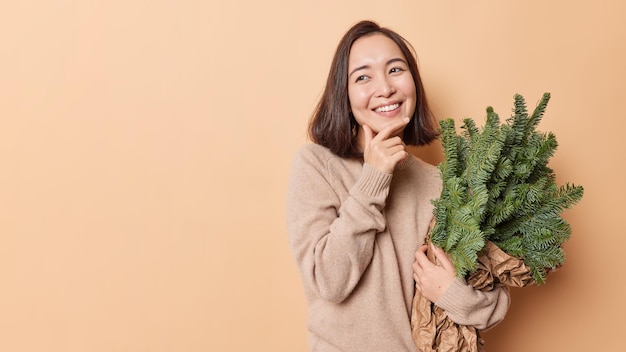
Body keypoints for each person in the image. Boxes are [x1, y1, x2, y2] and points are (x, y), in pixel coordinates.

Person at [286, 20, 510, 351]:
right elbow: (329, 282)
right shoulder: (317, 166)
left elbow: (495, 296)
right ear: (344, 95)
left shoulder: (441, 184)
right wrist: (374, 177)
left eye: (396, 69)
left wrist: (450, 292)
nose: (385, 88)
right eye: (363, 76)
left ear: (414, 83)